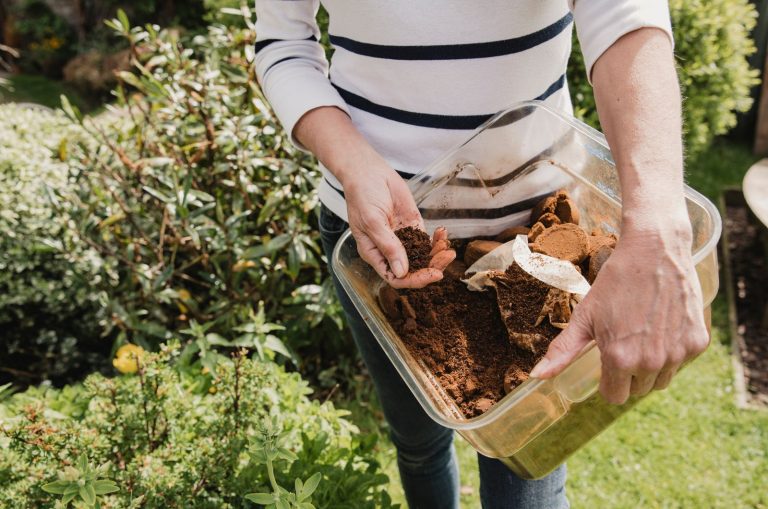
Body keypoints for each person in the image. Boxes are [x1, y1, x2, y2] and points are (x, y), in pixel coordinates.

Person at [253, 1, 710, 508]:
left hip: (540, 239)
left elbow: (624, 14)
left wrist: (655, 232)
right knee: (420, 444)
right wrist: (354, 163)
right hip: (380, 241)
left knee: (527, 474)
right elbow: (283, 42)